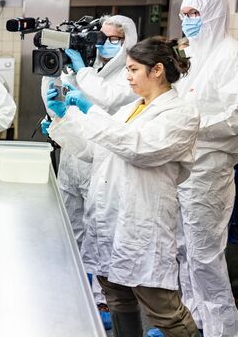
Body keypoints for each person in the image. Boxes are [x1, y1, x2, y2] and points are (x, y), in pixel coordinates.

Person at [45, 36, 200, 337]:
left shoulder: (181, 114)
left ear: (157, 70)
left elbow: (138, 148)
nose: (127, 77)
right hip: (111, 219)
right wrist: (62, 119)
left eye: (133, 70)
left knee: (163, 308)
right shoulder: (131, 110)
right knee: (117, 297)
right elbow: (95, 151)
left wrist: (90, 110)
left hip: (142, 223)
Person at [41, 15, 139, 328]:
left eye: (115, 38)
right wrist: (57, 78)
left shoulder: (130, 75)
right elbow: (55, 95)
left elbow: (106, 101)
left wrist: (80, 72)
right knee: (70, 231)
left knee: (103, 234)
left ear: (127, 41)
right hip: (73, 157)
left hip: (105, 166)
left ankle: (104, 301)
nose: (106, 44)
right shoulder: (85, 67)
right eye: (103, 37)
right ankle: (73, 288)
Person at [174, 0, 238, 337]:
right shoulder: (192, 56)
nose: (187, 21)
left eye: (194, 14)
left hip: (210, 172)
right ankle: (191, 324)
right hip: (183, 169)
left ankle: (222, 331)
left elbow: (236, 115)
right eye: (184, 14)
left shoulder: (231, 55)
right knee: (183, 252)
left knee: (206, 259)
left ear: (214, 12)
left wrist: (193, 126)